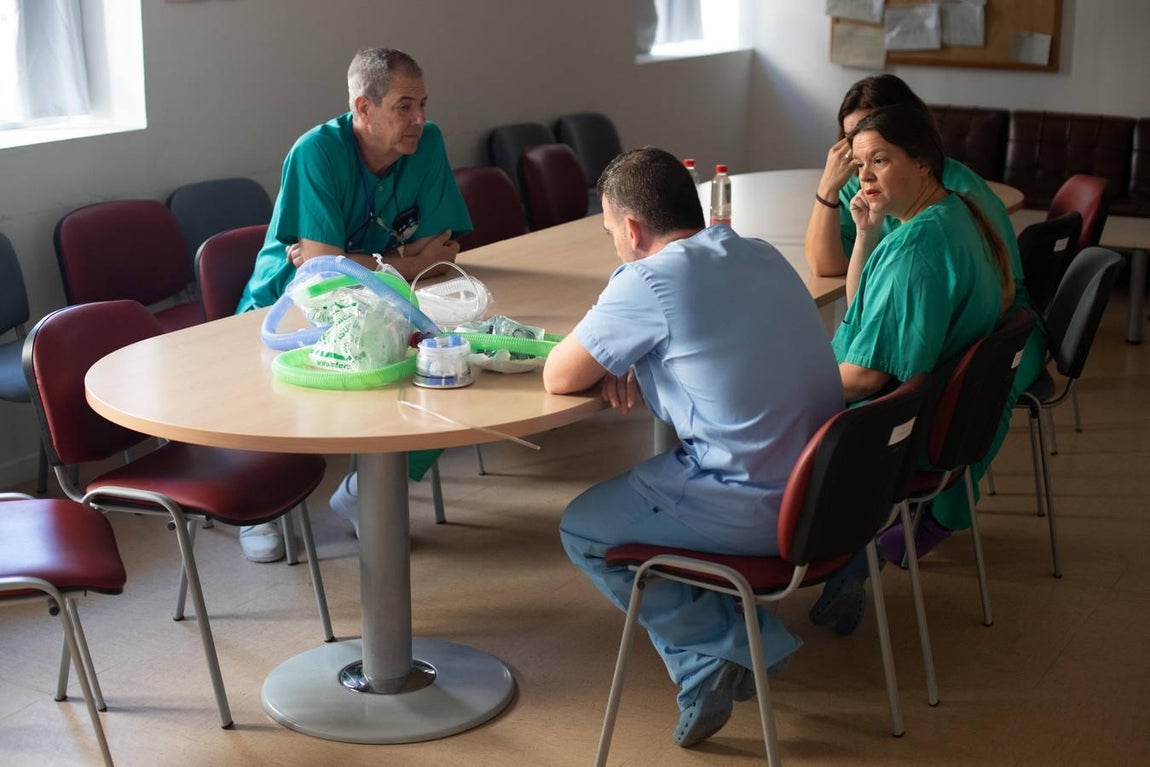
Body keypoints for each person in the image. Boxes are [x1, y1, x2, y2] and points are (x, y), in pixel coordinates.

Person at [545, 148, 844, 748]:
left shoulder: (647, 279)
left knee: (583, 528)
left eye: (610, 231)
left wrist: (620, 348)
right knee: (665, 479)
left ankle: (723, 647)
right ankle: (723, 644)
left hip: (758, 505)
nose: (613, 243)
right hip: (833, 490)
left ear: (632, 228)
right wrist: (629, 351)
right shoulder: (758, 251)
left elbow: (558, 374)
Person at [234, 47, 472, 562]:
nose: (420, 120)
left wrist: (362, 260)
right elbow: (319, 272)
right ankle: (263, 507)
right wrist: (402, 260)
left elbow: (442, 251)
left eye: (423, 104)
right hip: (289, 305)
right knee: (281, 400)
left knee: (444, 363)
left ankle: (364, 495)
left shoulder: (425, 144)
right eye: (404, 106)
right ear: (363, 108)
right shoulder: (316, 153)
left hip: (384, 297)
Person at [804, 74, 1047, 569]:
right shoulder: (951, 211)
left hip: (891, 431)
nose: (862, 174)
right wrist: (867, 235)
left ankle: (828, 558)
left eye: (879, 158)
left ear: (921, 160)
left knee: (758, 423)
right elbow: (870, 302)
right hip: (941, 415)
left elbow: (866, 377)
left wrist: (787, 387)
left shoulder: (918, 247)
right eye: (858, 158)